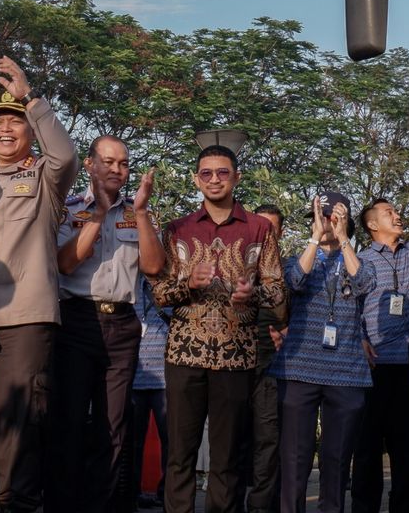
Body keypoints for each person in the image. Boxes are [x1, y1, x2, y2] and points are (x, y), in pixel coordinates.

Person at [0, 57, 78, 513]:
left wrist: (31, 99)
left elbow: (66, 155)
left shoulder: (43, 175)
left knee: (21, 427)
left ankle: (16, 505)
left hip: (25, 318)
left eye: (15, 121)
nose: (6, 127)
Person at [150, 144, 285, 513]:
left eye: (222, 172)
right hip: (184, 352)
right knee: (179, 454)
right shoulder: (177, 229)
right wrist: (187, 284)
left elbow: (276, 289)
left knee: (227, 459)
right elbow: (159, 293)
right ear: (196, 179)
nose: (214, 179)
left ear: (236, 177)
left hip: (236, 356)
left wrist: (251, 292)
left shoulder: (259, 228)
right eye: (206, 173)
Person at [46, 136, 162, 513]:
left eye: (124, 164)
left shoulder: (137, 211)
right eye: (109, 162)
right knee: (70, 421)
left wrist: (142, 214)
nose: (117, 170)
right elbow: (65, 263)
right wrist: (98, 216)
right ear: (91, 165)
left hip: (122, 326)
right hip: (77, 321)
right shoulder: (69, 208)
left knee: (113, 428)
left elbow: (154, 267)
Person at [269, 192, 374, 513]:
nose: (324, 222)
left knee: (337, 457)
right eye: (319, 216)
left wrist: (343, 239)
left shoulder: (358, 259)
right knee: (295, 458)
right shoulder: (300, 257)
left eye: (330, 216)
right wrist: (315, 239)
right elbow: (294, 281)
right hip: (300, 369)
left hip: (346, 371)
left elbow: (365, 283)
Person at [350, 199, 409, 513]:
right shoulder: (361, 261)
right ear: (371, 225)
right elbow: (349, 306)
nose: (397, 214)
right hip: (374, 366)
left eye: (397, 209)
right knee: (367, 448)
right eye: (388, 213)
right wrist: (361, 339)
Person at [245, 203, 287, 513]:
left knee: (267, 441)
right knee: (231, 439)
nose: (266, 234)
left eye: (271, 229)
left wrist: (289, 333)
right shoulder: (235, 267)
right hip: (233, 364)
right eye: (261, 228)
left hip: (272, 367)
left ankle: (261, 506)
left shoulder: (289, 271)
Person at [132, 276, 170, 510]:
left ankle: (167, 494)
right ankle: (132, 493)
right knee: (132, 441)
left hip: (166, 378)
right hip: (133, 376)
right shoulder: (129, 287)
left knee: (171, 441)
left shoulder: (170, 288)